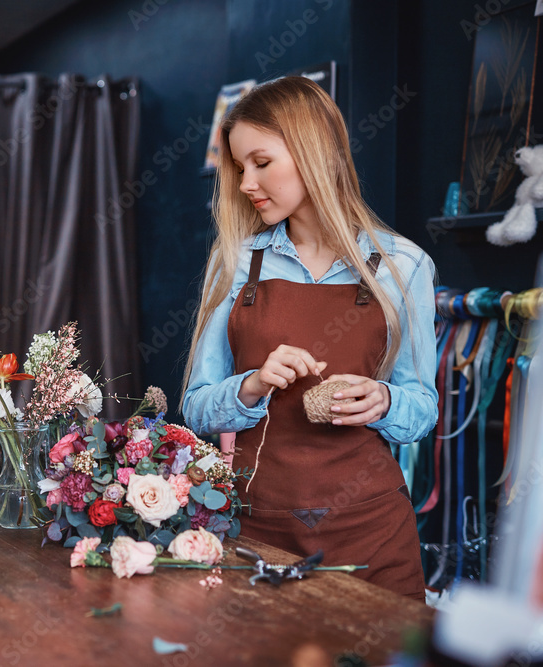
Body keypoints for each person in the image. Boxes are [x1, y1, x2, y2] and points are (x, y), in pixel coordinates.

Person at [182, 77, 438, 601]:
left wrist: (384, 399)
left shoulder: (403, 265)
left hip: (372, 531)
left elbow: (423, 408)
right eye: (238, 168)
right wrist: (251, 386)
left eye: (261, 162)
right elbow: (196, 409)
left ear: (312, 152)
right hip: (259, 531)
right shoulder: (233, 263)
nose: (246, 182)